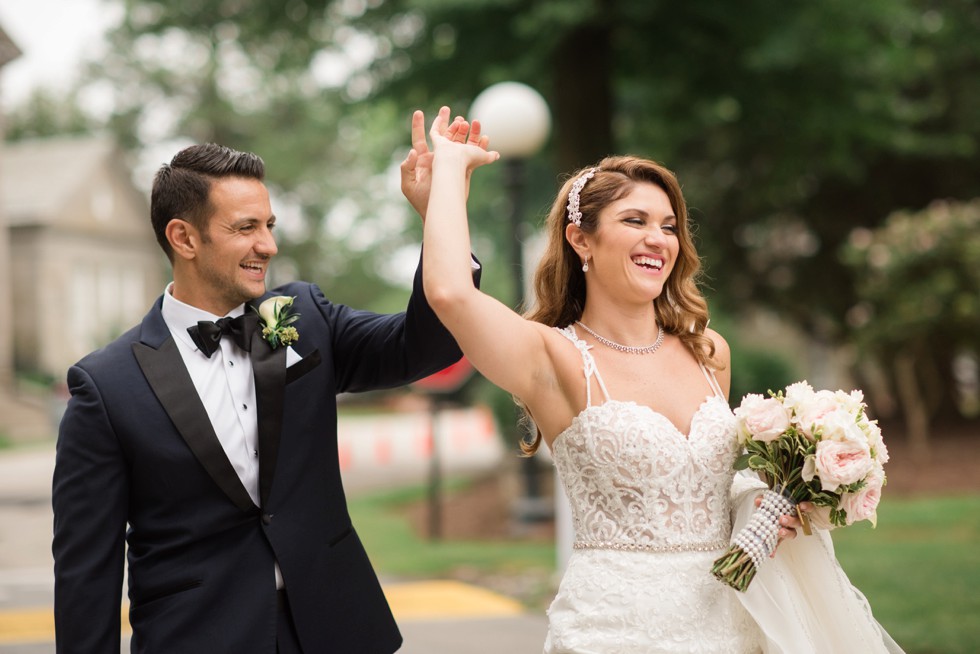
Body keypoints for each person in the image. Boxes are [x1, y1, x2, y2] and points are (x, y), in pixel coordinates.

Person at [419, 107, 903, 653]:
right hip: (615, 630)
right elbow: (450, 293)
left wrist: (766, 505)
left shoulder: (708, 352)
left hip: (732, 625)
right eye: (635, 221)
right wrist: (449, 180)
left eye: (669, 226)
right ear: (582, 241)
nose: (659, 239)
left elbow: (713, 492)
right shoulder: (553, 358)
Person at [52, 122, 483, 653]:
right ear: (184, 238)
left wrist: (442, 212)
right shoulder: (105, 384)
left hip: (336, 631)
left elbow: (426, 346)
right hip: (199, 638)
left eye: (270, 225)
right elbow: (85, 571)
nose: (269, 245)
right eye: (246, 228)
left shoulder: (303, 317)